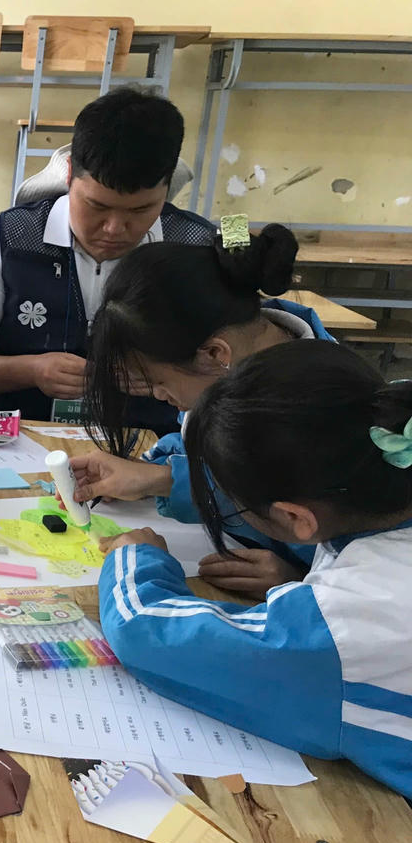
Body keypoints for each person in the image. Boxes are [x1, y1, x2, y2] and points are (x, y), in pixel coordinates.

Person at [98, 339, 412, 799]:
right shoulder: (388, 476)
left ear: (296, 517)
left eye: (234, 504)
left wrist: (133, 559)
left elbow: (146, 634)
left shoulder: (350, 621)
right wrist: (296, 579)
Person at [0, 87, 216, 431]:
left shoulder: (196, 248)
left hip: (151, 446)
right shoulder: (9, 237)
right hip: (20, 440)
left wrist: (168, 375)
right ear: (68, 175)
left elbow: (243, 373)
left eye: (140, 211)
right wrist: (32, 370)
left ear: (166, 189)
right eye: (96, 206)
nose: (114, 229)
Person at [71, 224, 333, 597]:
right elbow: (202, 447)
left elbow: (371, 562)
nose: (158, 395)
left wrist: (302, 578)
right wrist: (155, 474)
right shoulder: (234, 361)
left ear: (213, 354)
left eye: (158, 382)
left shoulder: (328, 413)